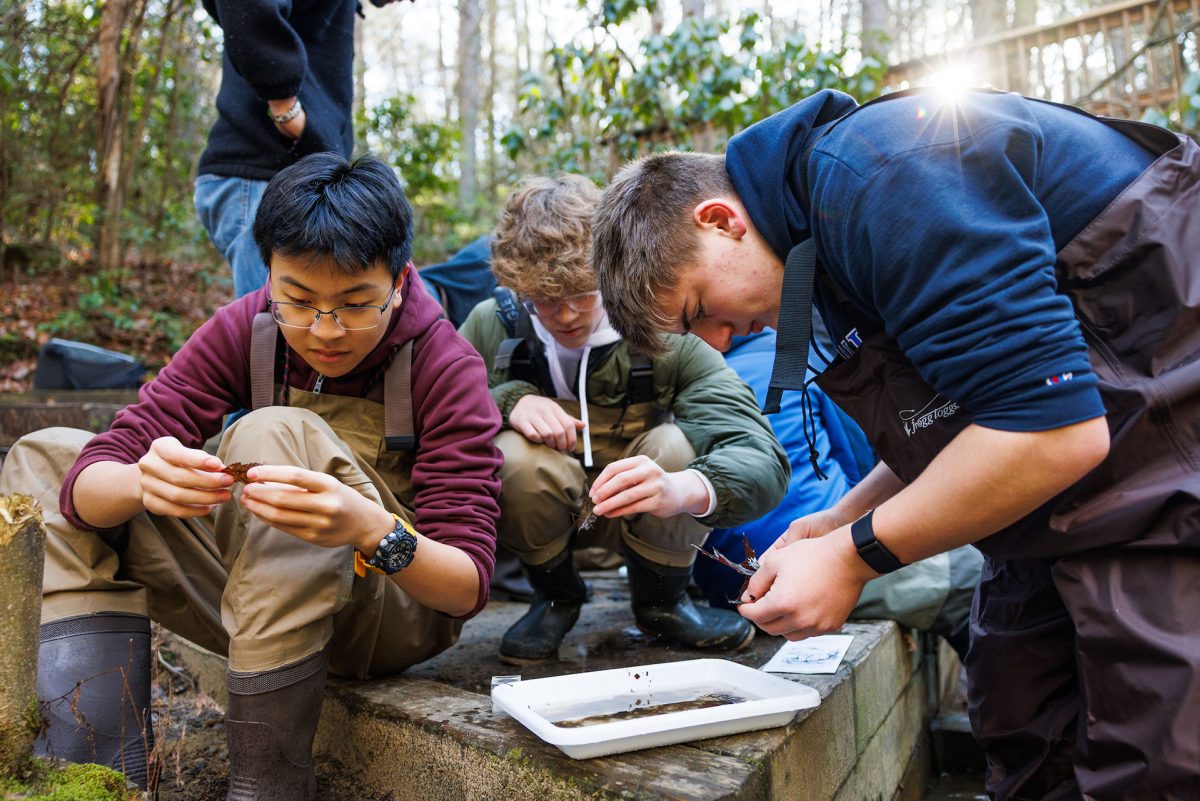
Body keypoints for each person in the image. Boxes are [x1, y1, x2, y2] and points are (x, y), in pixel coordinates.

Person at [590, 87, 1200, 800]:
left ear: (720, 221)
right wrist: (837, 521)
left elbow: (1051, 426)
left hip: (1157, 474)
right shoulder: (809, 256)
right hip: (1048, 509)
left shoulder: (886, 174)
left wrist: (855, 558)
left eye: (701, 310)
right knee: (1018, 713)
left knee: (1153, 757)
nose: (719, 340)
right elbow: (961, 410)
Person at [0, 153, 502, 800]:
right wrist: (141, 483)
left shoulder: (446, 364)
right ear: (267, 276)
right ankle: (95, 779)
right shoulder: (247, 326)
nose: (324, 330)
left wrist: (368, 526)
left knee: (274, 435)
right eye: (297, 300)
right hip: (253, 590)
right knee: (43, 457)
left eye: (355, 304)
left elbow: (465, 588)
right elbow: (102, 463)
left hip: (385, 613)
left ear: (400, 281)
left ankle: (267, 788)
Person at [457, 175, 789, 665]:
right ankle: (555, 598)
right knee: (512, 456)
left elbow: (762, 459)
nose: (567, 315)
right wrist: (505, 402)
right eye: (545, 301)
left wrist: (685, 487)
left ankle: (663, 603)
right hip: (548, 518)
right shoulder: (495, 323)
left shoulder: (663, 328)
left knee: (677, 447)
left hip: (649, 513)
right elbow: (439, 421)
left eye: (583, 293)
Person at [694, 331, 982, 661]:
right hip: (811, 553)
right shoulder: (803, 362)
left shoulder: (698, 384)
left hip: (727, 582)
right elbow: (857, 454)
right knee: (969, 579)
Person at [195, 0, 404, 299]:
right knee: (279, 332)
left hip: (281, 178)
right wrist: (286, 108)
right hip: (265, 176)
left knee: (300, 329)